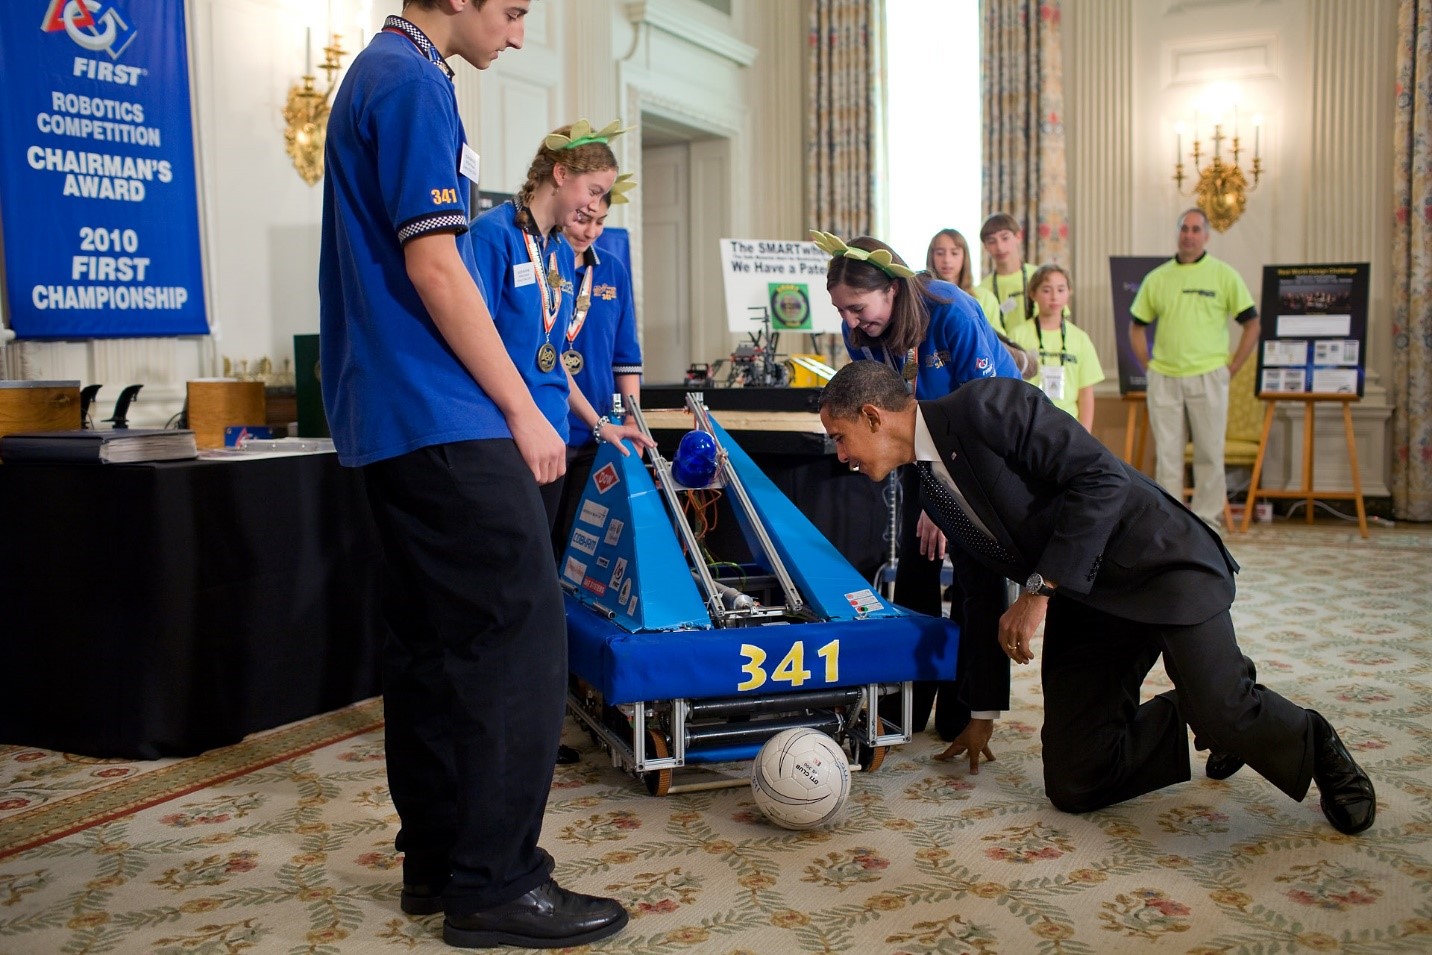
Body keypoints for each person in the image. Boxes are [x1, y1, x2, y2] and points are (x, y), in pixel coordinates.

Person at [319, 2, 629, 948]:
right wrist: (522, 406)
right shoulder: (410, 77)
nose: (521, 32)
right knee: (520, 635)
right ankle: (495, 881)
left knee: (430, 640)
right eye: (512, 10)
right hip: (436, 409)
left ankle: (439, 863)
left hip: (384, 415)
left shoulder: (385, 71)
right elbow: (438, 268)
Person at [818, 360, 1376, 836]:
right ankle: (1199, 706)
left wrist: (1040, 590)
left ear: (873, 416)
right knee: (1076, 779)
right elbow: (979, 589)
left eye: (839, 436)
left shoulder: (987, 405)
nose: (839, 454)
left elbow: (1103, 480)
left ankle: (1308, 739)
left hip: (1158, 563)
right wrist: (983, 708)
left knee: (1226, 711)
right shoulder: (927, 487)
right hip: (1089, 597)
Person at [811, 230, 1017, 754]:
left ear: (893, 290)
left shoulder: (953, 312)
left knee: (975, 575)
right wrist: (928, 497)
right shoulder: (862, 329)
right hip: (917, 446)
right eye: (843, 312)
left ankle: (968, 705)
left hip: (988, 446)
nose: (851, 324)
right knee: (916, 566)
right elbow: (885, 418)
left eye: (857, 308)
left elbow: (984, 416)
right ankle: (910, 701)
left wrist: (946, 502)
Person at [1129, 208, 1259, 529]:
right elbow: (1136, 327)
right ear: (1178, 233)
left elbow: (1252, 324)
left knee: (1209, 454)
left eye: (1196, 229)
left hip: (1209, 375)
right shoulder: (1157, 278)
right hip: (1165, 377)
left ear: (1207, 235)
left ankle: (1208, 523)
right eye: (1184, 228)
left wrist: (1232, 368)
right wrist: (1150, 367)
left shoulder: (1224, 275)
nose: (1189, 234)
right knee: (1168, 456)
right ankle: (1172, 524)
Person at [550, 178, 643, 557]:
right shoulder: (542, 263)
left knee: (581, 549)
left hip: (599, 435)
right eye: (583, 219)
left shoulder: (613, 271)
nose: (591, 231)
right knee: (543, 545)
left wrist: (634, 420)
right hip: (550, 430)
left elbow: (626, 355)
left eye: (600, 222)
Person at [926, 228, 1039, 378]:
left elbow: (996, 345)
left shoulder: (984, 297)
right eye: (940, 253)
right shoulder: (924, 298)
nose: (947, 260)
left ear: (964, 257)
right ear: (931, 256)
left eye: (954, 253)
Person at [1008, 264, 1105, 430]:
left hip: (1069, 425)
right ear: (1033, 294)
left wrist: (1085, 433)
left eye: (1061, 290)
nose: (1054, 297)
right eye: (1046, 290)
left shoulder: (1080, 338)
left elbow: (1085, 393)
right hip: (1028, 423)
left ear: (1069, 292)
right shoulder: (1018, 335)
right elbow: (1010, 385)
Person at [976, 212, 1039, 337]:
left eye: (1005, 238)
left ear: (1018, 237)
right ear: (985, 247)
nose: (999, 247)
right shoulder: (982, 290)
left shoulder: (1038, 276)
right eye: (992, 241)